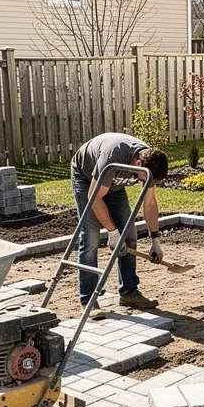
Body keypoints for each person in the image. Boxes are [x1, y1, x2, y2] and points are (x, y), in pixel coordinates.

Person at [70, 132, 169, 313]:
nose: (146, 182)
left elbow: (150, 203)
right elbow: (93, 196)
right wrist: (112, 231)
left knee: (129, 234)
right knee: (91, 238)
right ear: (138, 164)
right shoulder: (113, 156)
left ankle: (129, 293)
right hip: (86, 178)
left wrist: (155, 239)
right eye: (145, 177)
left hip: (114, 183)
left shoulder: (149, 161)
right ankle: (89, 300)